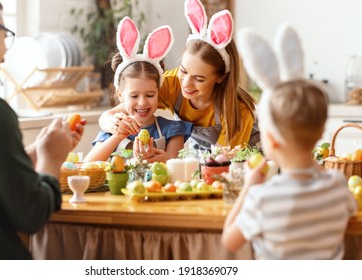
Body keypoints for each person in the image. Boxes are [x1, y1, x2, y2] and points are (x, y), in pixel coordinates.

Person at [0, 0, 84, 259]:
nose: (5, 50)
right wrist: (52, 159)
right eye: (5, 35)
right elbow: (31, 215)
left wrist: (38, 152)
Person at [221, 24, 357, 259]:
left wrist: (248, 189)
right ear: (321, 132)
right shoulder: (336, 185)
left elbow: (229, 241)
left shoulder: (261, 198)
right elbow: (351, 209)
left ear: (271, 140)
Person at [98, 0, 259, 152]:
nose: (187, 83)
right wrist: (114, 124)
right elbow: (109, 115)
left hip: (248, 159)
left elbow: (225, 162)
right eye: (183, 70)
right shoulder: (172, 83)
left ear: (221, 77)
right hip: (207, 156)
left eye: (199, 79)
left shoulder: (237, 110)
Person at [84, 17, 192, 163]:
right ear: (120, 95)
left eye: (150, 95)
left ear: (158, 93)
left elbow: (178, 171)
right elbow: (87, 167)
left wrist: (161, 159)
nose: (142, 102)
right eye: (134, 96)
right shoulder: (112, 128)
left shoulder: (172, 130)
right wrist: (118, 135)